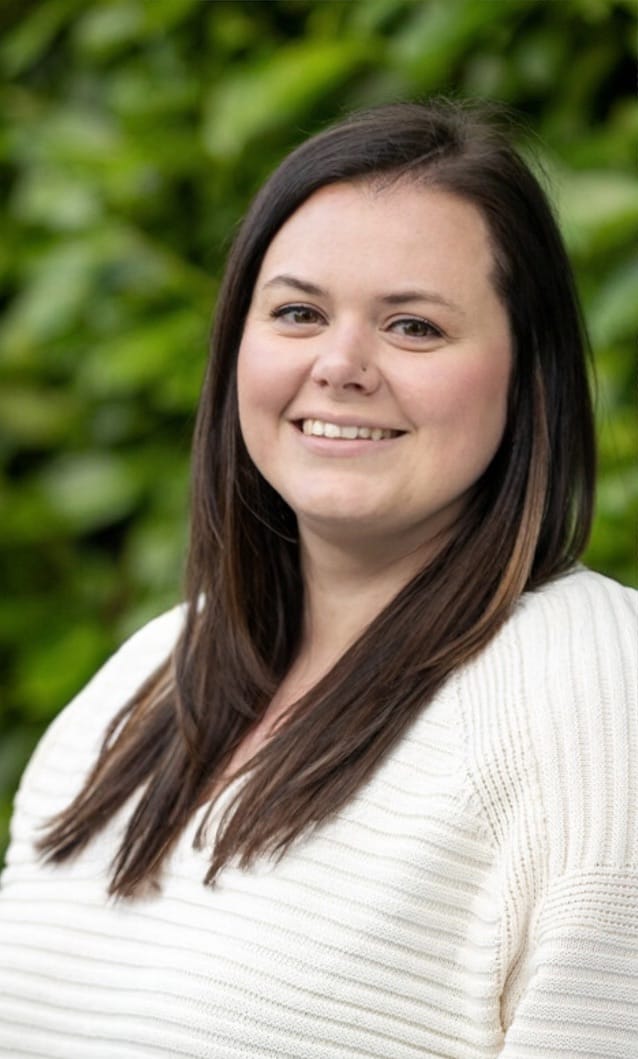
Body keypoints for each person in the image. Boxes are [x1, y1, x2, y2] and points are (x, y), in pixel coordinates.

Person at [0, 99, 636, 1059]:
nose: (340, 365)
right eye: (297, 312)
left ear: (527, 375)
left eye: (414, 327)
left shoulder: (596, 691)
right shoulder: (140, 681)